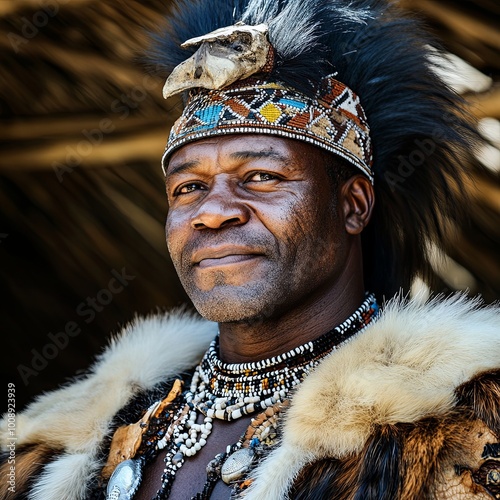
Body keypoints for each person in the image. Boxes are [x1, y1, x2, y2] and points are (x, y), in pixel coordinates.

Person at [2, 0, 500, 498]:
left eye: (261, 177)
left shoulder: (461, 424)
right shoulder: (67, 442)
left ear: (352, 206)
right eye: (188, 188)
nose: (213, 211)